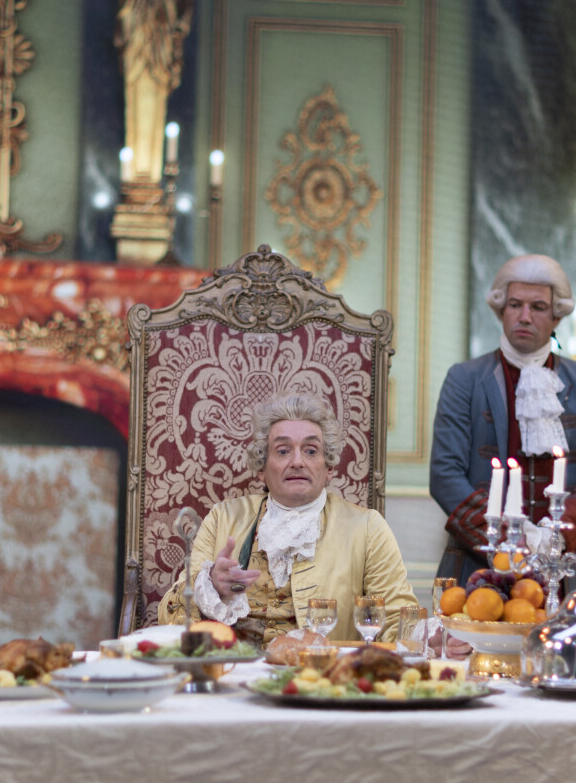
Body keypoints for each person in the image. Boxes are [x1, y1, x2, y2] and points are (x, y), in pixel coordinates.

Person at [158, 391, 420, 645]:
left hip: (319, 677)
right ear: (261, 469)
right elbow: (171, 617)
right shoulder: (223, 518)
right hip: (235, 672)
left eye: (310, 451)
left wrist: (431, 637)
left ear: (329, 468)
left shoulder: (367, 528)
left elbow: (398, 620)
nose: (297, 461)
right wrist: (212, 584)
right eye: (283, 451)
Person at [430, 254, 576, 585]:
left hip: (564, 569)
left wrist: (558, 538)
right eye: (515, 305)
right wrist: (511, 538)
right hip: (479, 563)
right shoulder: (464, 378)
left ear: (556, 316)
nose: (525, 316)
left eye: (538, 307)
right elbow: (445, 475)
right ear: (501, 311)